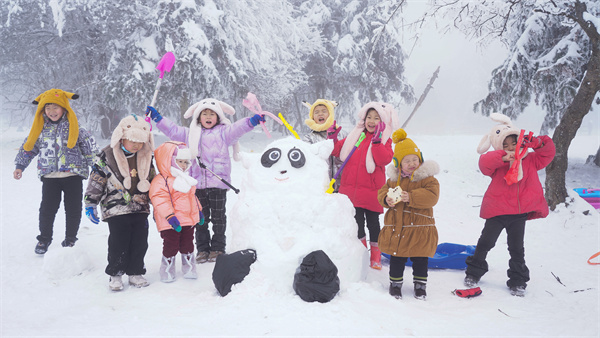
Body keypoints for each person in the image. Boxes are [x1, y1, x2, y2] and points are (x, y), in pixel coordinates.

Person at [146, 99, 264, 263]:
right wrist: (158, 119)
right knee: (199, 218)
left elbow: (238, 129)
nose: (208, 117)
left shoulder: (224, 133)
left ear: (218, 117)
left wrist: (251, 121)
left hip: (218, 183)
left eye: (212, 114)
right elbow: (173, 130)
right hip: (197, 183)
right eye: (204, 114)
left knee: (218, 217)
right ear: (198, 117)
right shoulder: (189, 134)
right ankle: (202, 249)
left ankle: (218, 248)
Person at [465, 113, 556, 297]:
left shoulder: (531, 160)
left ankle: (518, 280)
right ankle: (474, 273)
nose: (510, 148)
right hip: (497, 211)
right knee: (485, 243)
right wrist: (503, 157)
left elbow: (548, 151)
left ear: (520, 142)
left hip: (518, 214)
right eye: (504, 145)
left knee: (516, 248)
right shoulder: (498, 162)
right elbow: (484, 164)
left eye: (513, 143)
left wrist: (536, 142)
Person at [13, 89, 98, 254]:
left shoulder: (76, 127)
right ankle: (44, 239)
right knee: (47, 208)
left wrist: (97, 167)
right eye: (47, 108)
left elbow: (89, 148)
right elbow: (29, 147)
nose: (51, 112)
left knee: (73, 209)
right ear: (42, 110)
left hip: (73, 175)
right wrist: (20, 165)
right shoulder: (40, 129)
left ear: (64, 107)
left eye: (55, 107)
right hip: (50, 175)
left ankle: (70, 239)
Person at [84, 114, 156, 291]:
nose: (137, 145)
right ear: (122, 137)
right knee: (119, 241)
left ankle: (135, 271)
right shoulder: (107, 156)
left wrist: (159, 204)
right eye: (133, 141)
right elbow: (96, 179)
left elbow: (153, 181)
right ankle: (115, 273)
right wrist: (90, 203)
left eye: (140, 142)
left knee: (140, 241)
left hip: (139, 206)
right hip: (115, 205)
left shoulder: (146, 156)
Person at [330, 102, 399, 269]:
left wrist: (376, 143)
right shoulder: (355, 136)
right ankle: (361, 254)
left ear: (382, 122)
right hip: (350, 191)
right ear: (364, 118)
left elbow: (383, 159)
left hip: (372, 192)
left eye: (376, 118)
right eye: (369, 117)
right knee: (357, 224)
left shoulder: (384, 140)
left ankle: (376, 256)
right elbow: (338, 151)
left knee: (373, 224)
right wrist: (332, 136)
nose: (372, 121)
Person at [377, 129, 440, 300]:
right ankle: (395, 284)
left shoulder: (428, 179)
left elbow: (432, 197)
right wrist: (386, 199)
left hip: (420, 228)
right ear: (399, 164)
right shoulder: (392, 181)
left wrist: (411, 197)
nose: (412, 163)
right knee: (397, 258)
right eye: (407, 161)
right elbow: (381, 193)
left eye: (415, 159)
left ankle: (420, 286)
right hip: (398, 228)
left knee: (420, 258)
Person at [149, 141, 204, 282]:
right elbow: (159, 199)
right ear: (169, 160)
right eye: (180, 161)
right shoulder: (161, 180)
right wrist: (169, 216)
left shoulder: (185, 178)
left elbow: (192, 197)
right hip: (170, 221)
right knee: (171, 244)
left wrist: (199, 211)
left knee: (188, 244)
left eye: (186, 162)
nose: (184, 165)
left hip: (187, 220)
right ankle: (167, 269)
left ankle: (189, 267)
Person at [301, 99, 347, 192]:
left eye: (324, 111)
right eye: (316, 112)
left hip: (343, 185)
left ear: (330, 114)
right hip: (321, 187)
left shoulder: (342, 135)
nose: (320, 114)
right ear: (312, 117)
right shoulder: (309, 138)